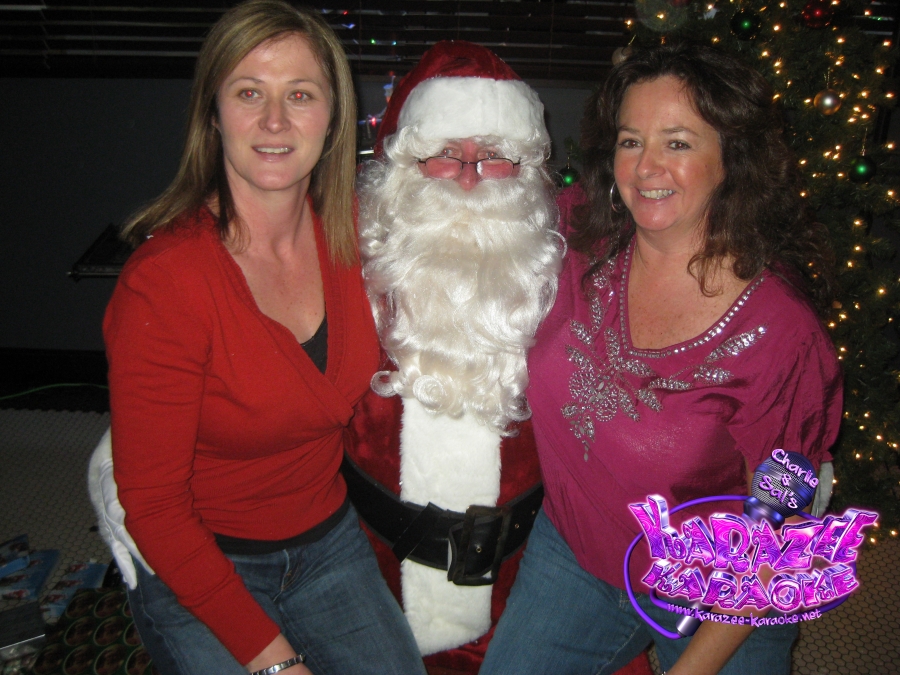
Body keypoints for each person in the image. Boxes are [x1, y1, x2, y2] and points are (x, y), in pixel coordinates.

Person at [480, 41, 843, 675]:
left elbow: (778, 531)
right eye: (630, 141)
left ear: (730, 158)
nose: (646, 167)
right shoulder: (576, 235)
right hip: (577, 549)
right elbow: (461, 210)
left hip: (719, 594)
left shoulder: (784, 336)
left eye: (678, 143)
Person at [91, 2, 426, 674]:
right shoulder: (164, 283)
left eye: (300, 95)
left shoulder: (362, 234)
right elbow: (154, 507)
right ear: (212, 114)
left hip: (327, 540)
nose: (275, 122)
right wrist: (274, 661)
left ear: (332, 118)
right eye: (250, 93)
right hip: (200, 559)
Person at [344, 40, 564, 673]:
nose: (469, 176)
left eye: (493, 155)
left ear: (526, 169)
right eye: (446, 154)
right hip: (369, 561)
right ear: (406, 165)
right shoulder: (345, 251)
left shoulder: (562, 261)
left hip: (522, 567)